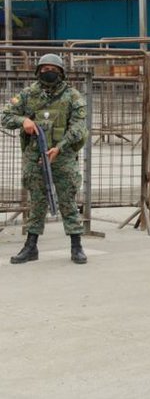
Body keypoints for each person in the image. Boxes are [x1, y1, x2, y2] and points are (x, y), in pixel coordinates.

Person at [2, 54, 89, 264]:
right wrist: (23, 121)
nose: (47, 72)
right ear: (37, 71)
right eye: (43, 69)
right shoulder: (28, 94)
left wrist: (59, 148)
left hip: (63, 157)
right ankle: (31, 246)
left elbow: (78, 127)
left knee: (68, 201)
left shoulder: (72, 96)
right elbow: (6, 116)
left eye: (52, 69)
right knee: (37, 202)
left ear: (60, 72)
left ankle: (76, 246)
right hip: (35, 158)